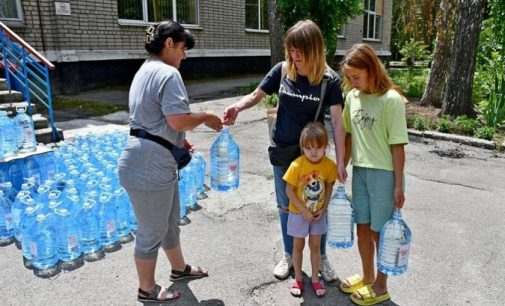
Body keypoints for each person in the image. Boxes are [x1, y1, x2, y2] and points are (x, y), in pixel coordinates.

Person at [223, 19, 347, 282]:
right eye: (291, 50)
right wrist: (237, 107)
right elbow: (257, 94)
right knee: (285, 206)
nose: (294, 56)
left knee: (317, 207)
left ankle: (320, 257)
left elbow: (337, 121)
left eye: (299, 51)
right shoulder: (282, 70)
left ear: (314, 49)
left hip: (312, 156)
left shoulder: (329, 81)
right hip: (283, 153)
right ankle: (290, 254)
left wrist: (341, 161)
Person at [118, 21, 223, 303]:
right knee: (152, 231)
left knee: (168, 223)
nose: (184, 55)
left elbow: (154, 120)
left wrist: (176, 140)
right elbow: (177, 119)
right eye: (182, 48)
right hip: (149, 166)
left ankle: (179, 269)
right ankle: (147, 289)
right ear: (168, 44)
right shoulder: (168, 73)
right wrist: (206, 117)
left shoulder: (144, 71)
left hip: (149, 158)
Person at [339, 43, 408, 305]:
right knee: (363, 229)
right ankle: (367, 277)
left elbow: (398, 146)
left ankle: (381, 285)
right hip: (360, 171)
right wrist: (341, 165)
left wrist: (398, 186)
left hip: (384, 174)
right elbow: (347, 135)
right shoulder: (352, 98)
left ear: (371, 70)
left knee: (380, 233)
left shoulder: (391, 100)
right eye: (349, 78)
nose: (352, 82)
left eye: (356, 77)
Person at [283, 122, 338, 298]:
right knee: (297, 247)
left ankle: (315, 278)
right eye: (308, 148)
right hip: (299, 213)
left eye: (318, 147)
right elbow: (288, 190)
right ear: (302, 147)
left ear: (325, 147)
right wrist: (303, 210)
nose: (313, 152)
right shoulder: (297, 165)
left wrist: (325, 208)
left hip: (318, 215)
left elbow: (329, 186)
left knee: (315, 247)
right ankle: (298, 278)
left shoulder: (329, 166)